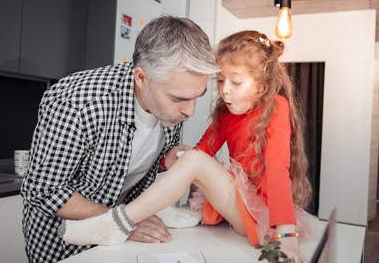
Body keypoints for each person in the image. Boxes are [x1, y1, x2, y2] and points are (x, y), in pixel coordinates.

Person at [59, 31, 317, 262]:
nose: (225, 91)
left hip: (264, 216)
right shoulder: (226, 114)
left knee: (193, 160)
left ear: (263, 84)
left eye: (235, 82)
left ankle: (115, 223)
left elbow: (276, 170)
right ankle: (176, 214)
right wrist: (176, 158)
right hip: (239, 205)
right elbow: (201, 152)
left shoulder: (277, 107)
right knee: (192, 157)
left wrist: (286, 232)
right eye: (220, 81)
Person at [21, 15, 219, 263]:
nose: (190, 111)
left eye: (197, 97)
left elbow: (127, 162)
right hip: (64, 249)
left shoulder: (168, 107)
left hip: (124, 242)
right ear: (141, 77)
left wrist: (163, 160)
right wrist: (125, 221)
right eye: (178, 99)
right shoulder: (76, 103)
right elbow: (44, 191)